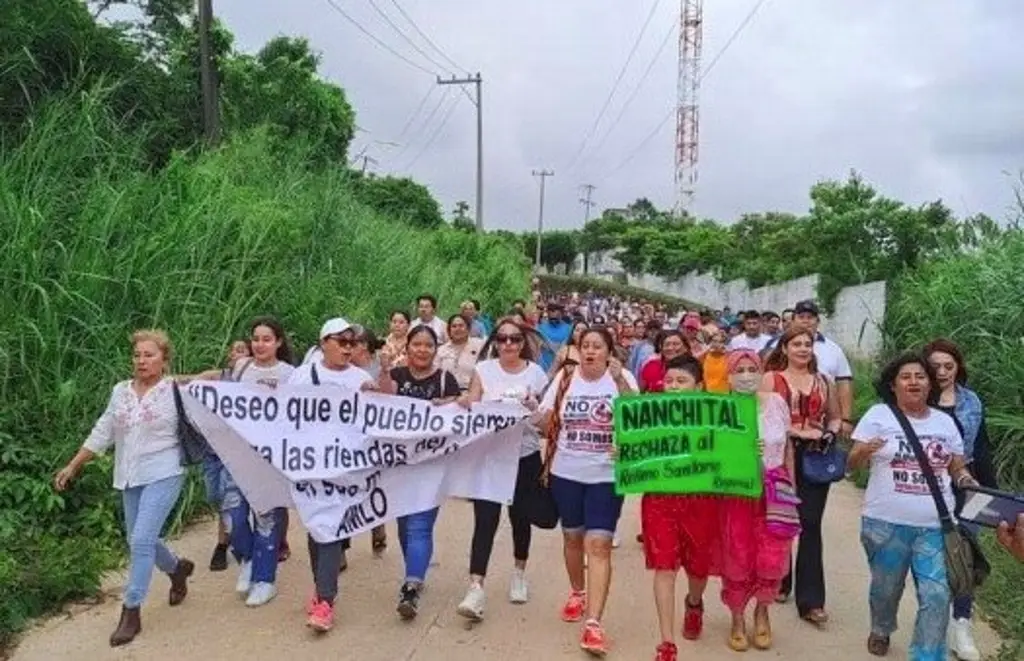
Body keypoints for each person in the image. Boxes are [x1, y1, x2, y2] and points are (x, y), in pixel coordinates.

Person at [54, 329, 194, 647]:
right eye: (137, 355)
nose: (142, 361)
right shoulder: (121, 391)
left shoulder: (175, 389)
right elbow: (103, 430)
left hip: (165, 471)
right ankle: (177, 570)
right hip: (130, 476)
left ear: (164, 360)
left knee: (141, 540)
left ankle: (131, 610)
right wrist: (74, 464)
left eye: (149, 355)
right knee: (138, 538)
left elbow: (212, 384)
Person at [850, 352, 977, 659]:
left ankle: (927, 654)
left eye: (920, 376)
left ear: (929, 384)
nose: (914, 382)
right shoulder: (879, 416)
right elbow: (852, 463)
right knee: (886, 589)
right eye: (906, 377)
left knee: (936, 594)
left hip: (935, 525)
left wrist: (966, 480)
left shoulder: (945, 423)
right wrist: (865, 450)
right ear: (893, 385)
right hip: (884, 523)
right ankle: (881, 627)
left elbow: (957, 466)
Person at [539, 327, 638, 656]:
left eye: (598, 346)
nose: (591, 351)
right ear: (578, 350)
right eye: (586, 346)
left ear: (610, 351)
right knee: (572, 538)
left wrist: (620, 382)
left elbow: (639, 420)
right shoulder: (565, 379)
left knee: (599, 544)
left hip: (606, 476)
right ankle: (577, 592)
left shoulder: (621, 378)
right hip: (566, 472)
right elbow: (545, 419)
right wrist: (530, 413)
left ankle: (594, 624)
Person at [286, 318, 382, 633]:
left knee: (329, 527)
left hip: (346, 470)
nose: (347, 347)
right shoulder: (302, 376)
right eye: (341, 341)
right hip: (309, 467)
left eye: (352, 342)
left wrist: (374, 397)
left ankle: (326, 600)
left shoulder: (360, 378)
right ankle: (321, 590)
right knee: (318, 530)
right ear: (323, 342)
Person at [455, 319, 549, 621]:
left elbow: (548, 422)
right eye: (503, 338)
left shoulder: (536, 374)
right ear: (495, 341)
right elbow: (473, 400)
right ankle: (475, 586)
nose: (509, 344)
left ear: (524, 343)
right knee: (485, 519)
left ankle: (519, 573)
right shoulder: (483, 370)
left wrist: (535, 409)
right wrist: (464, 402)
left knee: (520, 518)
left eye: (515, 339)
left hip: (525, 456)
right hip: (490, 457)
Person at [377, 325, 461, 619]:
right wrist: (385, 371)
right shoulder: (397, 376)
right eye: (417, 344)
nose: (422, 350)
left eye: (428, 345)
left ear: (435, 350)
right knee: (404, 526)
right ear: (407, 347)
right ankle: (416, 571)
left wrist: (451, 403)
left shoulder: (444, 380)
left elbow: (461, 415)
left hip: (431, 467)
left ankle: (410, 587)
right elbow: (383, 402)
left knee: (419, 526)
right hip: (399, 465)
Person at [922, 339, 997, 661]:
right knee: (933, 562)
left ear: (958, 367)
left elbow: (981, 448)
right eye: (935, 366)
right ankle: (932, 625)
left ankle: (962, 624)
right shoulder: (918, 399)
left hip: (967, 487)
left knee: (964, 559)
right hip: (924, 490)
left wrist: (991, 497)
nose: (942, 372)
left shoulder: (972, 402)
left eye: (948, 366)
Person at [716, 350, 794, 652]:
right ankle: (737, 616)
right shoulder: (719, 409)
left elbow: (787, 448)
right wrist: (739, 450)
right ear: (729, 376)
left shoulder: (776, 403)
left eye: (752, 369)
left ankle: (762, 612)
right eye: (740, 370)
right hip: (736, 494)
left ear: (762, 372)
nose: (746, 375)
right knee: (737, 554)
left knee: (772, 555)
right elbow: (707, 455)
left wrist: (790, 486)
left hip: (775, 490)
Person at [763, 327, 842, 626]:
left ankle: (811, 601)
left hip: (815, 457)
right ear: (784, 348)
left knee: (810, 522)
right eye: (796, 344)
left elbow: (835, 416)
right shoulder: (771, 380)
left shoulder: (825, 382)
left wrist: (830, 433)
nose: (802, 349)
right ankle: (778, 581)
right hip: (780, 455)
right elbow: (762, 418)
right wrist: (792, 431)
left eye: (807, 344)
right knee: (780, 519)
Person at [216, 317, 296, 607]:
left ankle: (265, 579)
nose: (260, 344)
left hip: (271, 458)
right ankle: (247, 558)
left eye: (266, 339)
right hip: (237, 454)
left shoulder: (290, 374)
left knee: (266, 519)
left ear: (278, 342)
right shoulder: (241, 368)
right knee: (233, 515)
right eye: (255, 339)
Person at [643, 356, 720, 661]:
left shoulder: (715, 417)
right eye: (669, 381)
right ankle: (667, 643)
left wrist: (749, 450)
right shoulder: (648, 415)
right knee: (664, 566)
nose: (673, 387)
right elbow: (636, 453)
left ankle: (694, 602)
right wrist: (620, 453)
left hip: (701, 501)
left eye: (681, 381)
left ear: (699, 386)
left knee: (698, 567)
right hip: (661, 500)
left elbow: (730, 457)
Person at [436, 314, 485, 391]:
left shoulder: (480, 346)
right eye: (454, 326)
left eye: (461, 326)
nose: (457, 329)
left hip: (473, 392)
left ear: (468, 329)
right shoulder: (441, 350)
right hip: (446, 394)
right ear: (449, 330)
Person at [537, 301, 572, 371]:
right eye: (550, 310)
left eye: (555, 310)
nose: (553, 313)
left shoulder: (569, 329)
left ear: (561, 313)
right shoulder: (540, 328)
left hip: (563, 368)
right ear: (547, 313)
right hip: (544, 368)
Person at [700, 330, 730, 394]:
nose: (716, 344)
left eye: (720, 342)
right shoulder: (704, 355)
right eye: (714, 341)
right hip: (707, 394)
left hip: (724, 395)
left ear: (724, 344)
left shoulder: (729, 357)